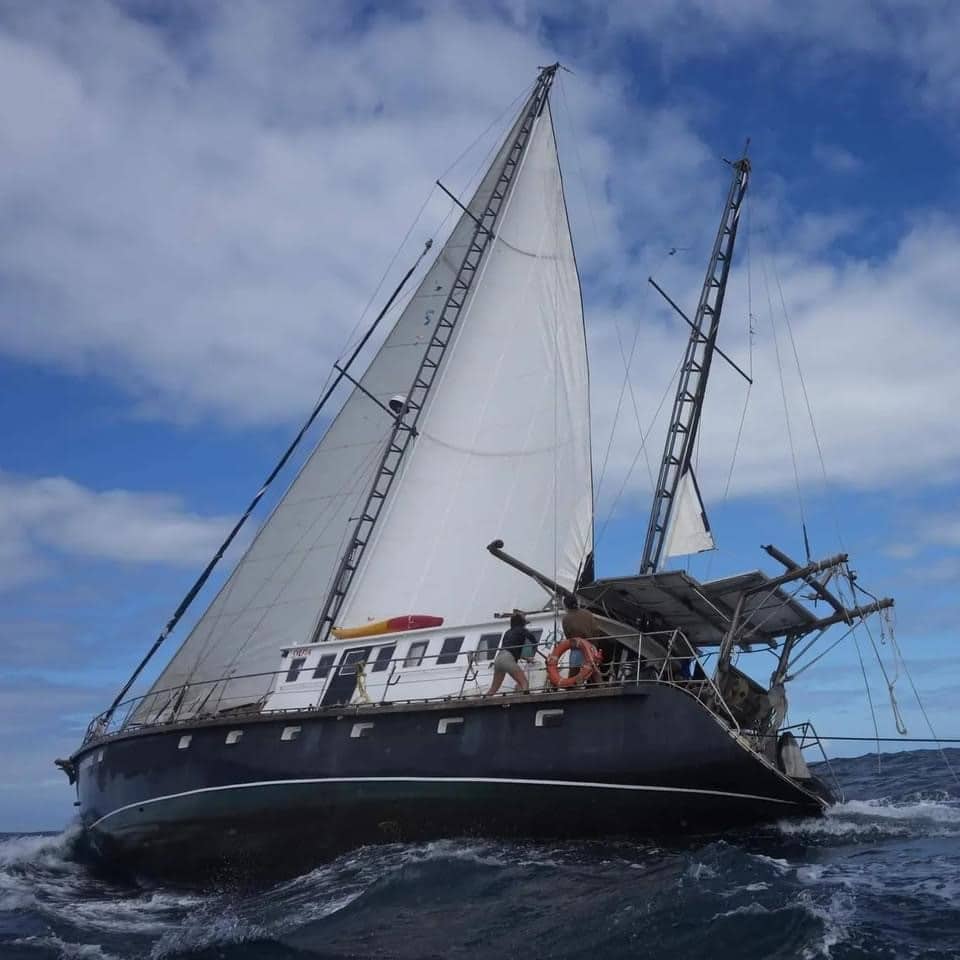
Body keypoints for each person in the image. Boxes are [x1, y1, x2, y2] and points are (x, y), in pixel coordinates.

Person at [485, 612, 536, 696]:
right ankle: (526, 702)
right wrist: (532, 653)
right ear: (522, 622)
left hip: (499, 658)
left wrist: (526, 658)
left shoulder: (507, 632)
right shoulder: (522, 630)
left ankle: (483, 701)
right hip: (508, 659)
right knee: (524, 683)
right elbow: (534, 641)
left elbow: (510, 649)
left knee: (493, 689)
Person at [561, 594, 600, 681]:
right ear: (576, 602)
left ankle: (570, 689)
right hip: (591, 646)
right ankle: (600, 686)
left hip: (577, 649)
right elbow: (596, 630)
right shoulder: (588, 613)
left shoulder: (566, 618)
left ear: (566, 605)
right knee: (594, 670)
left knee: (573, 672)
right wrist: (594, 645)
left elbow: (568, 635)